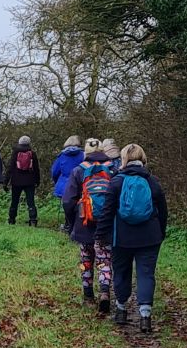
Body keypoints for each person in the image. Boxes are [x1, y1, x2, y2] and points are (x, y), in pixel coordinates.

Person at [96, 144, 168, 333]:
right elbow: (163, 211)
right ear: (143, 158)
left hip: (121, 237)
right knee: (146, 274)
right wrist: (161, 232)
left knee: (121, 272)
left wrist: (100, 236)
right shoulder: (152, 181)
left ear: (123, 159)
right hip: (149, 237)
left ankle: (121, 310)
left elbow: (107, 211)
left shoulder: (116, 181)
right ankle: (145, 315)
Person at [62, 138, 114, 313]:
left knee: (86, 260)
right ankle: (105, 292)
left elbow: (68, 200)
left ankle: (88, 296)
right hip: (105, 225)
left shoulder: (78, 170)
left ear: (86, 152)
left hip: (84, 222)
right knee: (104, 258)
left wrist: (72, 221)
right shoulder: (112, 170)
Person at [3, 134, 41, 226]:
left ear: (19, 143)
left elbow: (10, 168)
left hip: (16, 181)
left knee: (14, 201)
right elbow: (36, 168)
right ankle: (33, 220)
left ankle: (11, 219)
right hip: (30, 181)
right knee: (31, 201)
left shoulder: (15, 152)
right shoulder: (32, 153)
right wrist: (37, 181)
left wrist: (6, 182)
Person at [50, 136, 85, 232]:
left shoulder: (62, 156)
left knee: (67, 206)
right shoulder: (83, 155)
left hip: (64, 185)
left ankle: (68, 225)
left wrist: (57, 181)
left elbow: (54, 172)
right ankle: (77, 225)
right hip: (80, 185)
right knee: (80, 205)